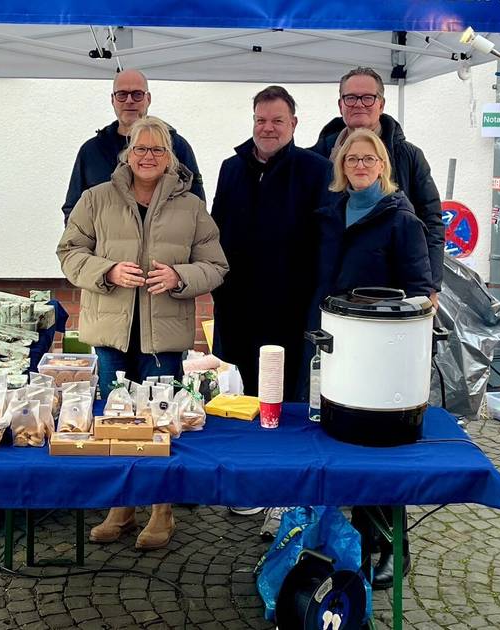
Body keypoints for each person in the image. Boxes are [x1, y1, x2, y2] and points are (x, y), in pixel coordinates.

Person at [57, 116, 228, 550]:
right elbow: (69, 251)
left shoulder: (190, 207)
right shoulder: (96, 199)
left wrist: (179, 276)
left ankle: (161, 509)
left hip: (164, 336)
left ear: (169, 156)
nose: (147, 157)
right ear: (126, 154)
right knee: (116, 421)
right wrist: (107, 270)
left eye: (156, 150)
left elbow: (216, 266)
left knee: (159, 422)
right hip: (112, 331)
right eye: (139, 148)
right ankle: (122, 507)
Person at [311, 128, 436, 589]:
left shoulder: (402, 219)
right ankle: (347, 538)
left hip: (381, 355)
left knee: (379, 453)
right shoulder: (330, 213)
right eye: (351, 160)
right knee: (339, 442)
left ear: (382, 164)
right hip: (336, 342)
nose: (359, 166)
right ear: (341, 167)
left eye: (368, 159)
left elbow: (420, 291)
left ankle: (389, 546)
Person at [211, 85, 333, 403]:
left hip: (292, 312)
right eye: (260, 120)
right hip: (240, 310)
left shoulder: (317, 171)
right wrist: (219, 290)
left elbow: (326, 243)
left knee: (290, 399)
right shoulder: (231, 169)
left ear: (293, 123)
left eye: (277, 120)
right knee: (248, 398)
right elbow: (215, 234)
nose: (268, 128)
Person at [309, 67, 445, 299]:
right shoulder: (318, 157)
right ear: (340, 105)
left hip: (388, 296)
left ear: (381, 104)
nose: (358, 104)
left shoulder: (409, 156)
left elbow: (431, 222)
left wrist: (430, 287)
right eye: (350, 97)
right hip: (332, 300)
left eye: (368, 97)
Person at [61, 69, 205, 223]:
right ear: (113, 99)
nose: (129, 100)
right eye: (122, 94)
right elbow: (73, 209)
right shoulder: (91, 151)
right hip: (105, 247)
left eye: (137, 94)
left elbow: (197, 207)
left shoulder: (175, 146)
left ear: (148, 98)